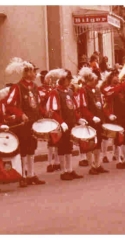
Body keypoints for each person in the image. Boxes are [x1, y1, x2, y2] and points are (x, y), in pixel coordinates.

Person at [5, 57, 45, 187]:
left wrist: (44, 115)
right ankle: (22, 175)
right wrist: (21, 114)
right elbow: (9, 104)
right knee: (23, 149)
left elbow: (37, 105)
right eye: (34, 71)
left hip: (34, 122)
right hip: (23, 124)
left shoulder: (35, 87)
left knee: (32, 148)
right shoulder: (17, 87)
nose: (35, 74)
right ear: (27, 72)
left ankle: (31, 174)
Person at [46, 68, 86, 181]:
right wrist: (61, 122)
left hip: (70, 123)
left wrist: (79, 119)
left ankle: (70, 169)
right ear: (62, 80)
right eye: (68, 79)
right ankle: (63, 171)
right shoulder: (55, 92)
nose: (69, 82)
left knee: (69, 147)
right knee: (62, 148)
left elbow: (73, 109)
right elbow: (53, 110)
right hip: (62, 124)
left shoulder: (69, 92)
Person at [101, 68, 125, 169]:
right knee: (118, 139)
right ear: (110, 78)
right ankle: (118, 160)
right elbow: (112, 92)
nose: (117, 77)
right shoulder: (107, 88)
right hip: (115, 117)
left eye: (118, 76)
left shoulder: (122, 87)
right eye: (115, 76)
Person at [79, 67, 109, 175]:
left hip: (99, 120)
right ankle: (92, 166)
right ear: (88, 80)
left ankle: (98, 164)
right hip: (90, 121)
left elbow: (101, 105)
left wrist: (107, 116)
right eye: (93, 80)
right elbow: (83, 107)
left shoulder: (97, 89)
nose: (95, 82)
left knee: (98, 143)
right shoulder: (83, 90)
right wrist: (91, 117)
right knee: (91, 144)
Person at [38, 70, 61, 173]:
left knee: (56, 139)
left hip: (54, 116)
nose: (47, 80)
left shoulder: (53, 89)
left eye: (47, 78)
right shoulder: (39, 90)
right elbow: (39, 104)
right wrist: (45, 113)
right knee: (50, 141)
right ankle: (49, 163)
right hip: (46, 116)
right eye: (45, 78)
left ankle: (56, 162)